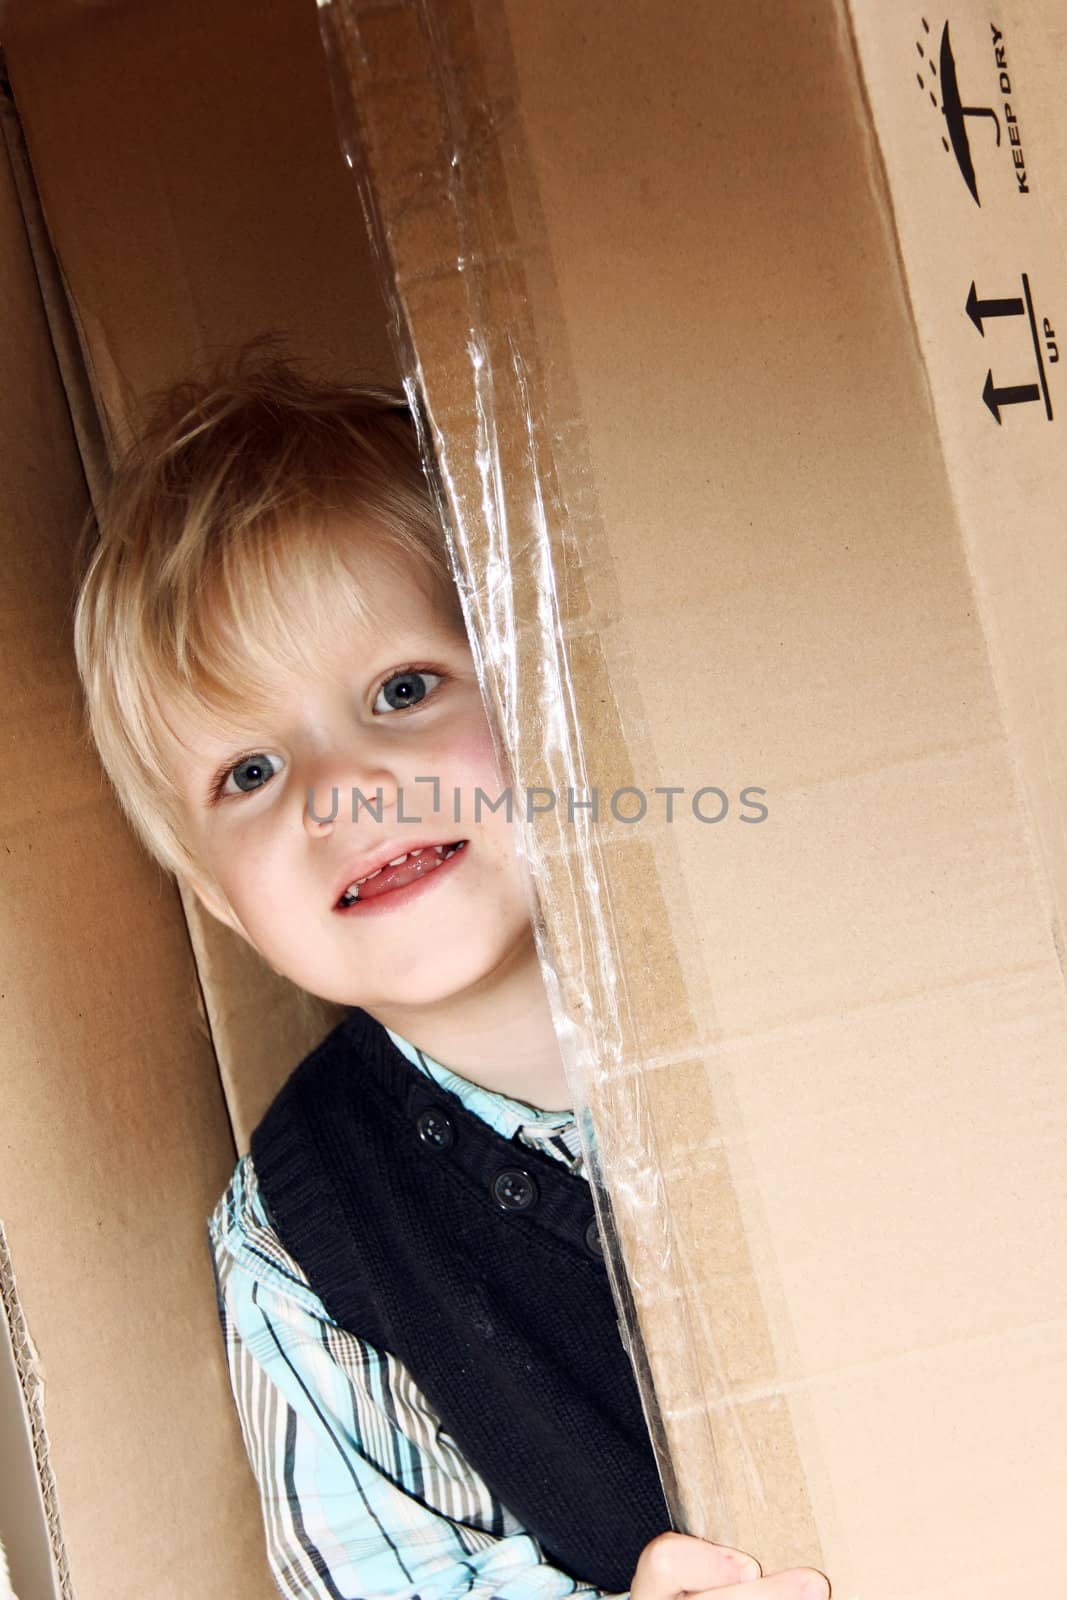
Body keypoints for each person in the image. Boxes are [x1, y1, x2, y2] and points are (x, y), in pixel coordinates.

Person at [72, 356, 831, 1600]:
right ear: (218, 900)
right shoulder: (301, 1245)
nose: (343, 790)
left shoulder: (785, 955)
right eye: (249, 773)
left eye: (402, 690)